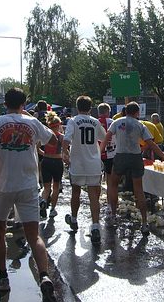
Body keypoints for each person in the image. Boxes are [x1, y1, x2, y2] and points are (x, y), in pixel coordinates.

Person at [0, 87, 57, 300]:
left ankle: (3, 277)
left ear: (4, 104)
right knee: (33, 235)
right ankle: (45, 276)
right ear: (24, 103)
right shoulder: (32, 122)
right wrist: (28, 118)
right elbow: (54, 140)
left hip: (2, 185)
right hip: (28, 185)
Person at [100, 101, 164, 235]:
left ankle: (113, 215)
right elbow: (152, 144)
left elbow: (106, 138)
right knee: (139, 190)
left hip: (120, 155)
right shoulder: (140, 125)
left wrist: (98, 154)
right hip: (135, 157)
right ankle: (144, 222)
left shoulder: (117, 122)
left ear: (125, 111)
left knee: (113, 185)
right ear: (137, 113)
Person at [62, 96, 106, 244]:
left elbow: (66, 140)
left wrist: (65, 153)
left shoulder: (73, 121)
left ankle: (74, 219)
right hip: (93, 163)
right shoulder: (95, 121)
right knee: (94, 195)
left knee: (76, 192)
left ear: (77, 106)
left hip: (78, 163)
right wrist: (98, 151)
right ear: (90, 107)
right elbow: (104, 138)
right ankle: (95, 227)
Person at [39, 111, 64, 219]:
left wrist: (44, 153)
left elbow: (37, 147)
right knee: (56, 186)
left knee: (46, 187)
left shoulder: (46, 136)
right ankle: (53, 209)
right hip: (57, 162)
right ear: (58, 125)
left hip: (46, 161)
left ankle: (44, 201)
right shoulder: (61, 136)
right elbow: (65, 150)